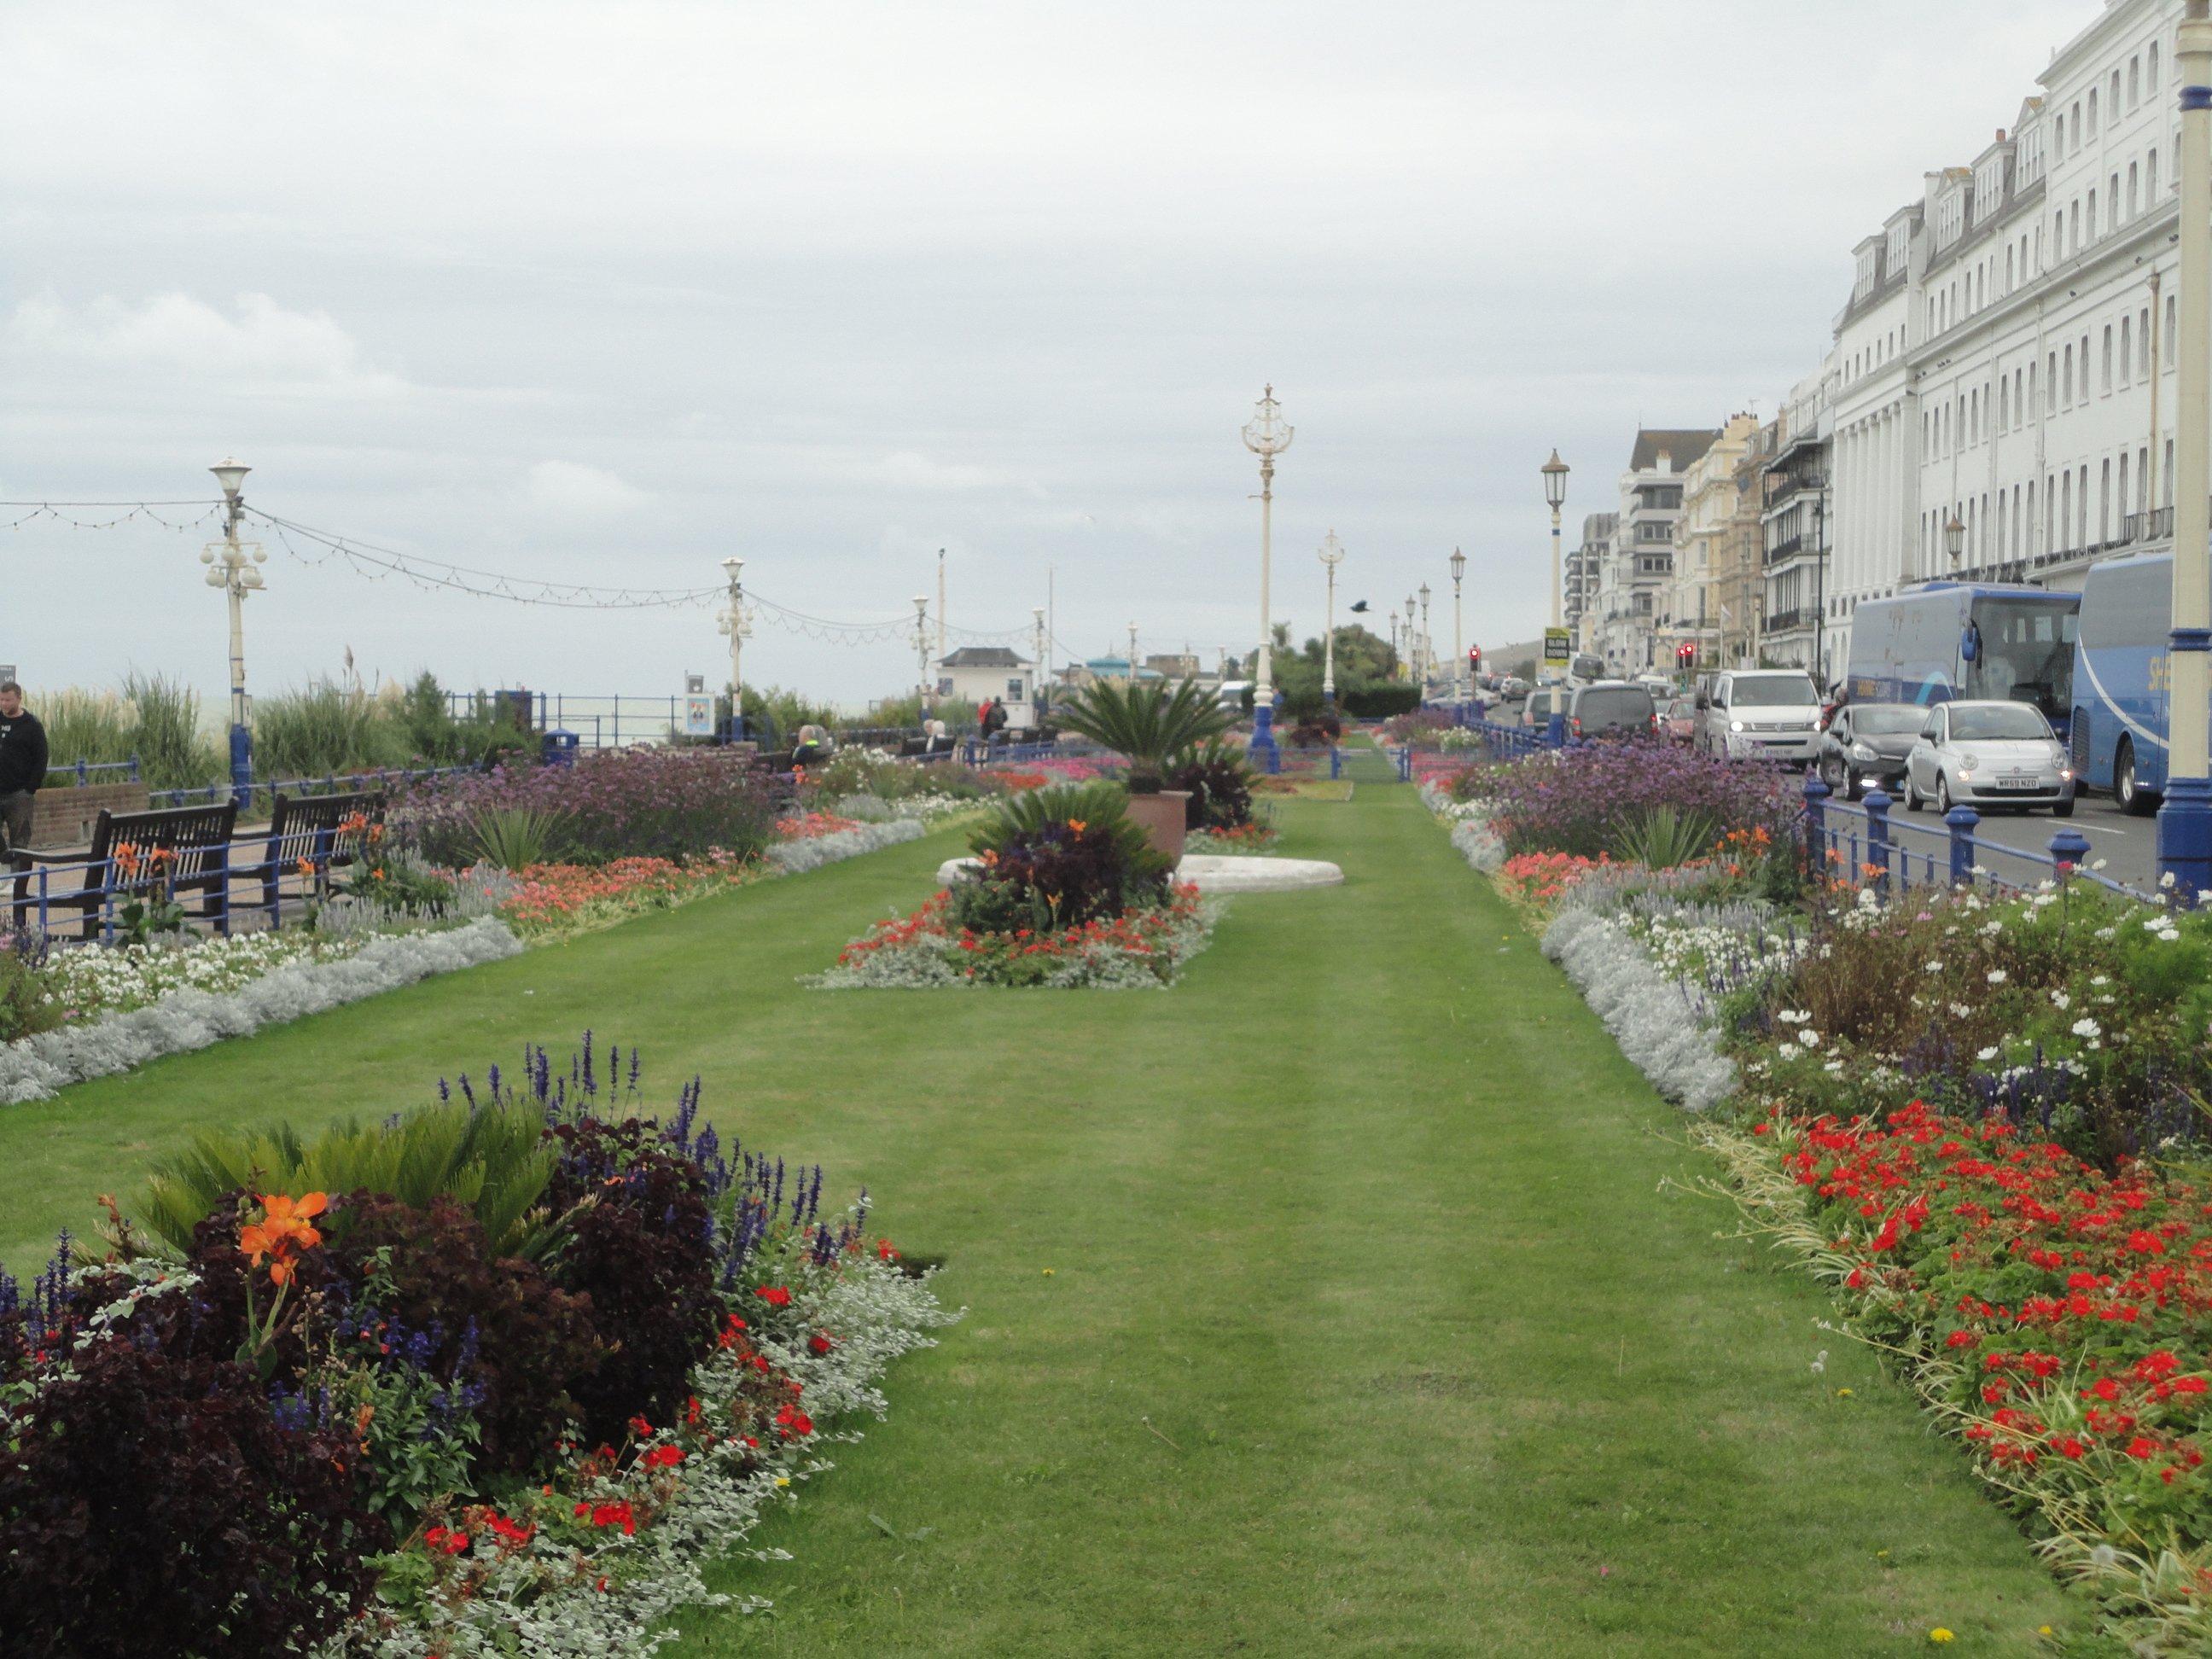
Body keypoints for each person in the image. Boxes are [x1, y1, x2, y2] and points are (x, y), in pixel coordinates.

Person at [0, 681, 48, 854]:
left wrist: (30, 787)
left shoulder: (32, 725)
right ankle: (4, 858)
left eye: (8, 700)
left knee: (20, 843)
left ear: (19, 699)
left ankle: (17, 880)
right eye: (2, 700)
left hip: (19, 793)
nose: (4, 704)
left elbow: (41, 757)